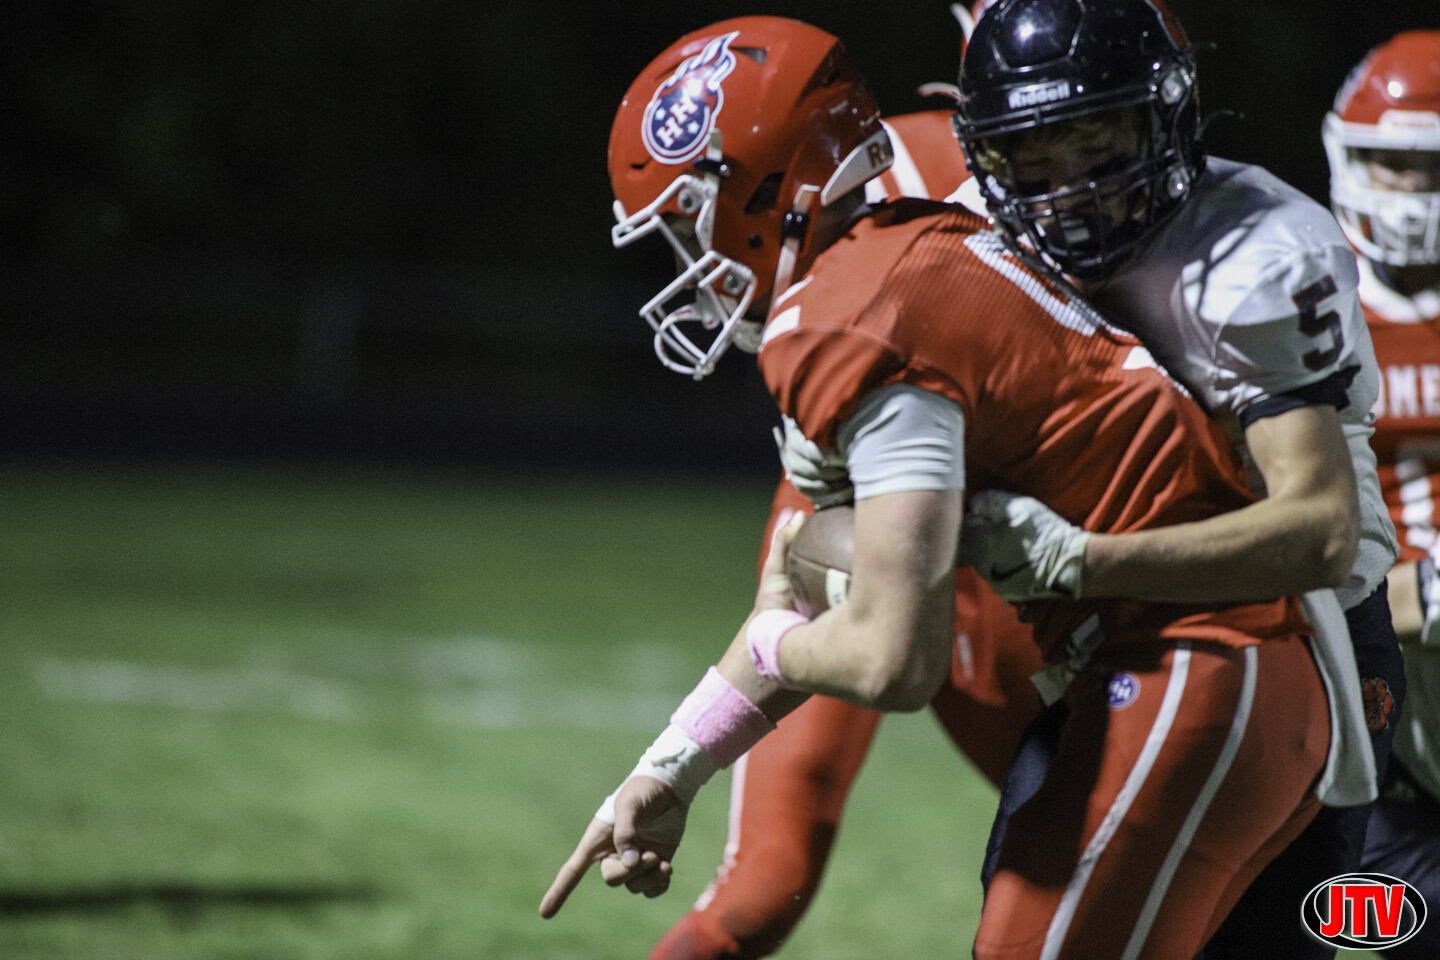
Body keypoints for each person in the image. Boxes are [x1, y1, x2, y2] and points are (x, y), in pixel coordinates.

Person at [541, 16, 1355, 959]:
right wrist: (672, 768)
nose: (691, 264)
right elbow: (823, 581)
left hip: (1200, 661)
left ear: (761, 189)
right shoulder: (912, 244)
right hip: (1218, 673)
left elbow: (893, 659)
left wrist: (779, 640)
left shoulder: (843, 319)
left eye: (690, 223)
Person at [928, 1, 1400, 954]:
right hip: (1122, 639)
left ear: (1167, 119)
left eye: (1098, 146)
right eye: (1033, 159)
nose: (1069, 195)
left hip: (1306, 639)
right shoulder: (974, 230)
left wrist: (1079, 560)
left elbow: (1319, 533)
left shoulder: (1258, 249)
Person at [646, 109, 1046, 960]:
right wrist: (666, 768)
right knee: (761, 882)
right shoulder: (854, 175)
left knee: (1084, 879)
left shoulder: (1044, 184)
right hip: (871, 501)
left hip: (1035, 540)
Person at [1325, 30, 1440, 959]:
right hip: (1371, 694)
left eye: (1431, 167)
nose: (1409, 189)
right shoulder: (1308, 300)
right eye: (1390, 163)